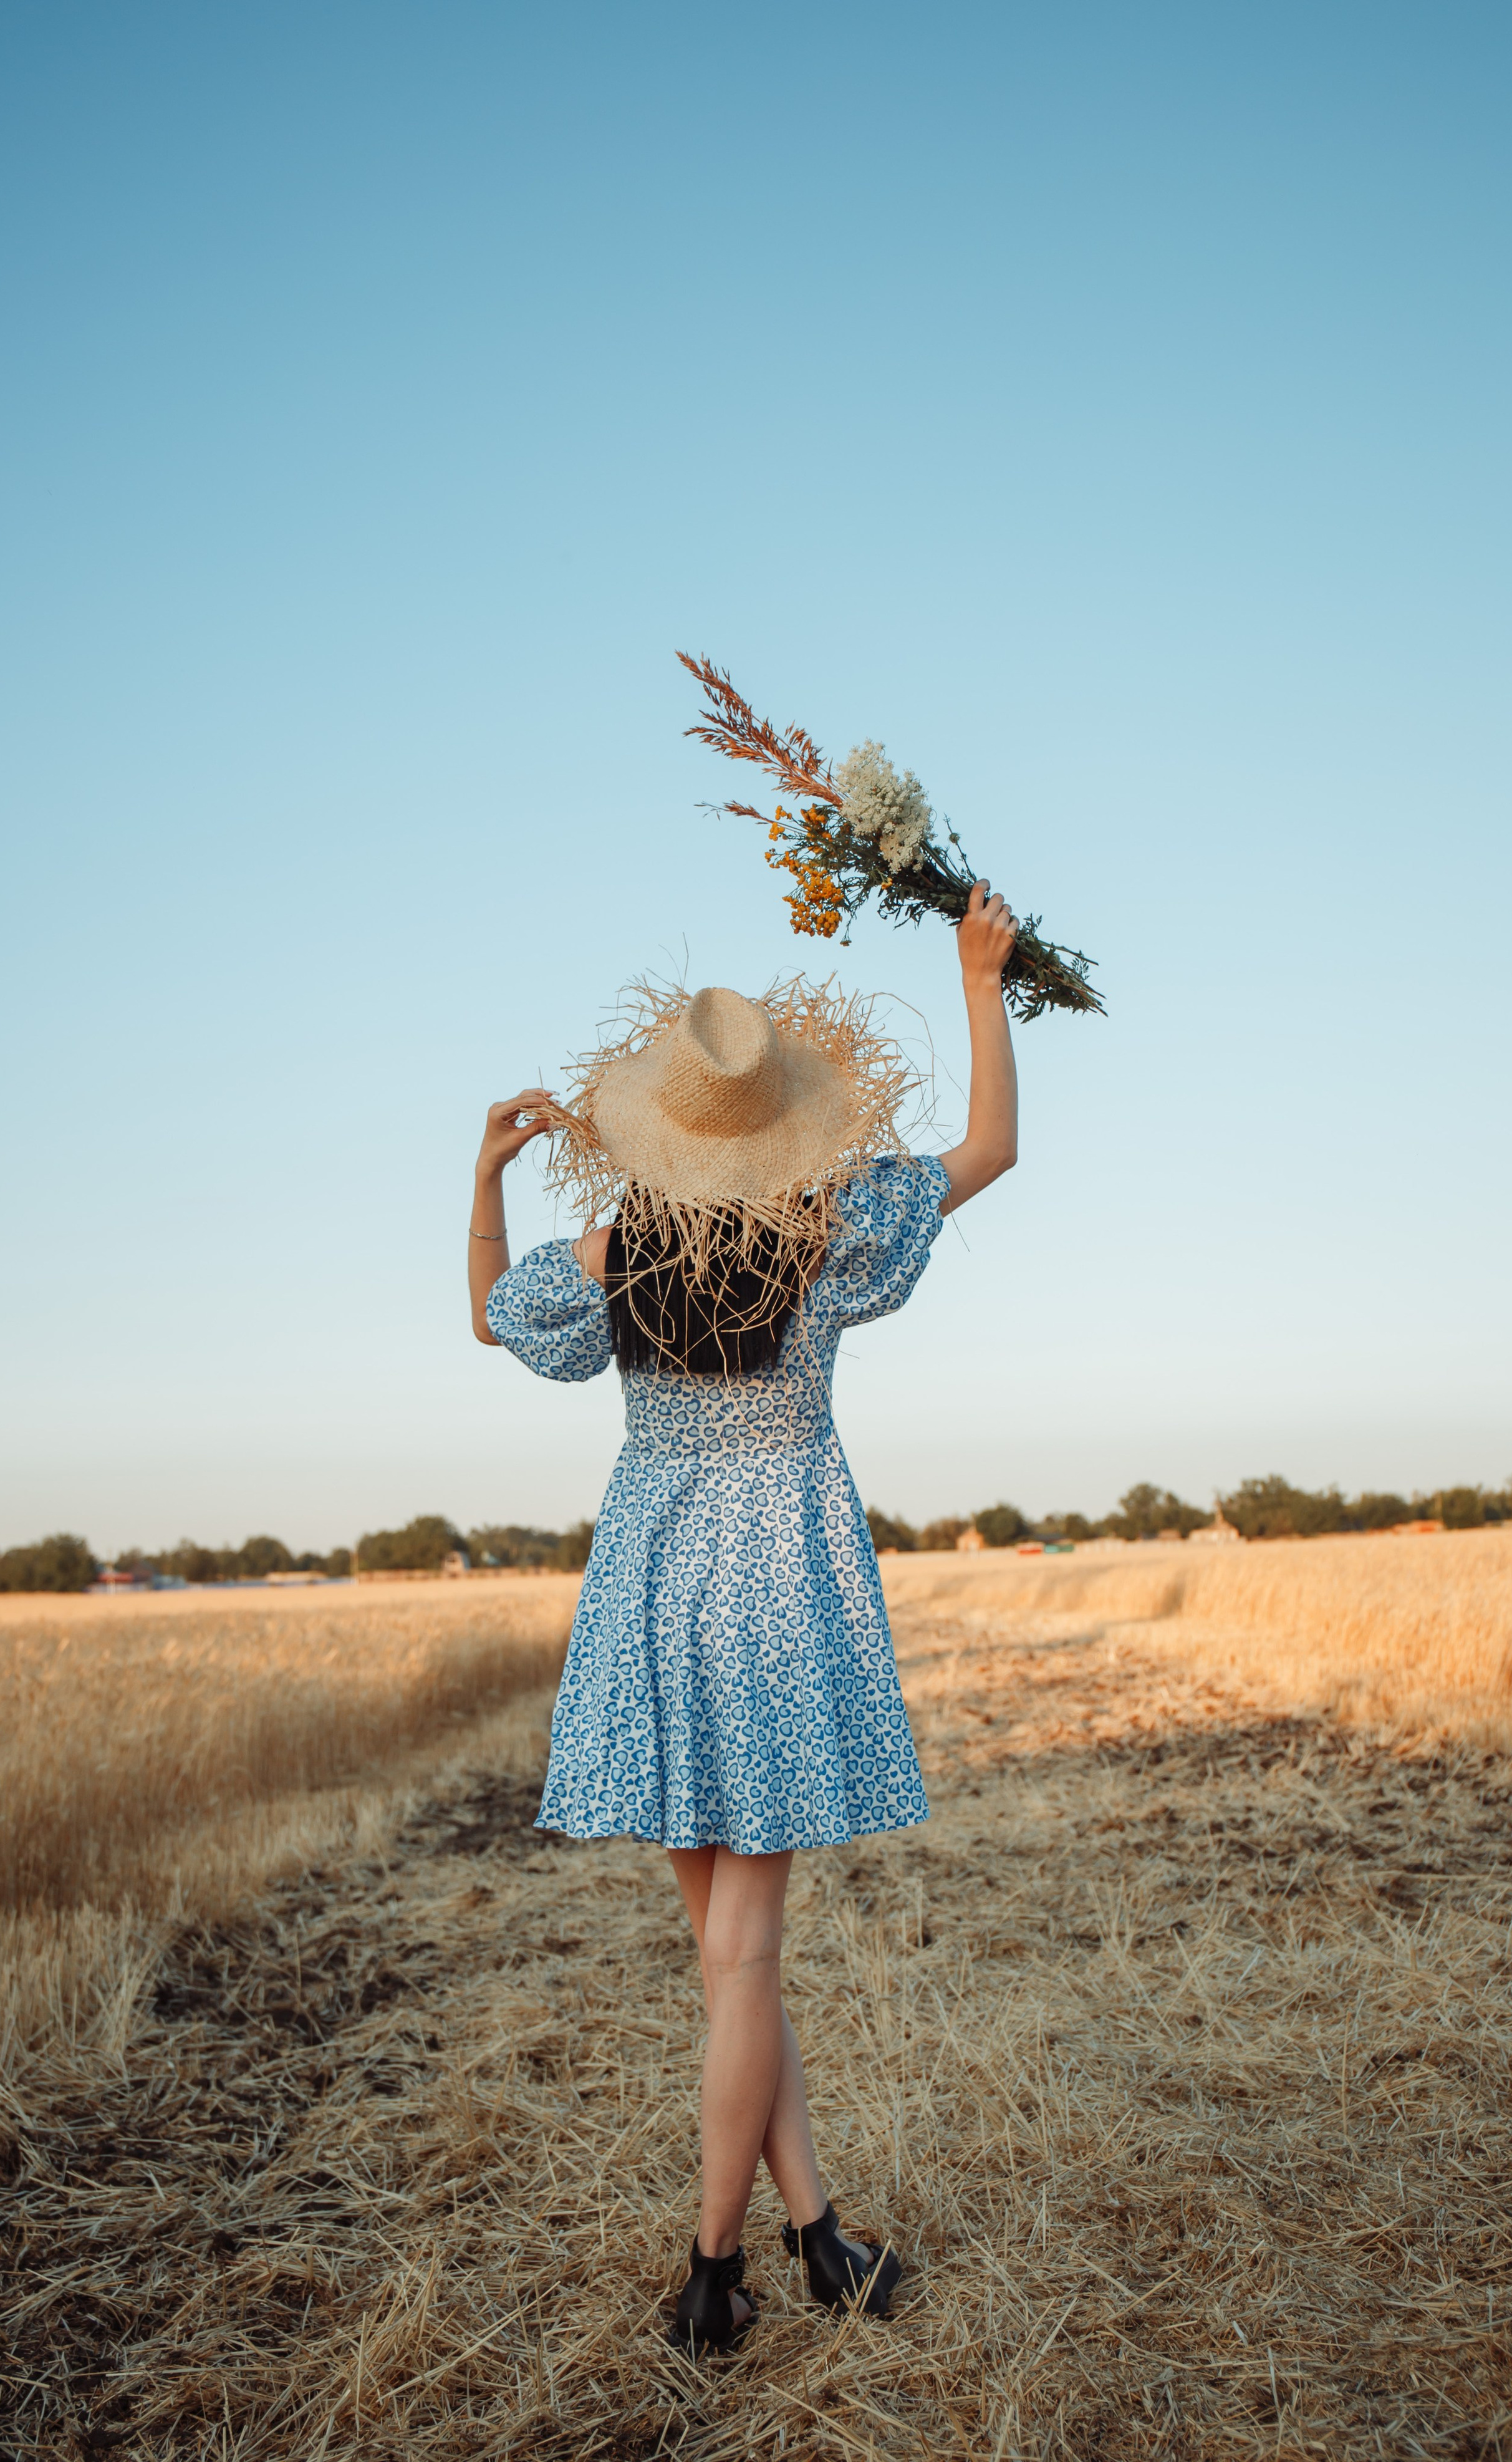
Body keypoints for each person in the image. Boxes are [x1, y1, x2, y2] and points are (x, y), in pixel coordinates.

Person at [467, 884, 1019, 2353]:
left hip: (653, 1582)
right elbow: (990, 1150)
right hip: (776, 1581)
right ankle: (714, 2280)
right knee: (743, 1970)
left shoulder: (609, 1255)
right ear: (779, 1123)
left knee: (729, 1965)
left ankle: (813, 2233)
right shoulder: (829, 1230)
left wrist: (484, 1180)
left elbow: (487, 1320)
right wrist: (977, 980)